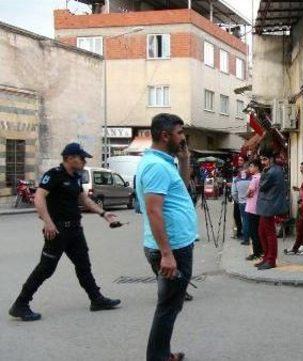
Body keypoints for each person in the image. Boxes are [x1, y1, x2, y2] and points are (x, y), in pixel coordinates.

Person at [8, 143, 121, 322]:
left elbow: (84, 199)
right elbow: (39, 197)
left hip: (75, 230)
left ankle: (96, 299)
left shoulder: (76, 177)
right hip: (57, 231)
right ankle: (20, 304)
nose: (84, 161)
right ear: (69, 158)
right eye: (81, 158)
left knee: (84, 265)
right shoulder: (53, 175)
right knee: (46, 268)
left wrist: (104, 213)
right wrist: (48, 222)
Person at [136, 113, 198, 361]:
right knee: (168, 307)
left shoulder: (164, 162)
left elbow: (181, 188)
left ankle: (161, 354)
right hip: (172, 250)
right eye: (180, 133)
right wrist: (167, 254)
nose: (183, 138)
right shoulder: (155, 166)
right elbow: (153, 210)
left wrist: (184, 161)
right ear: (165, 135)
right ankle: (158, 357)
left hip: (176, 247)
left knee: (170, 304)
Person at [255, 150, 289, 270]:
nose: (262, 162)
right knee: (262, 232)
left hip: (268, 206)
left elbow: (262, 185)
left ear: (271, 159)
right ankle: (266, 257)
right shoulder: (275, 170)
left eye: (265, 159)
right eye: (261, 159)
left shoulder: (272, 171)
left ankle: (271, 260)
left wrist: (263, 172)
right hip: (267, 205)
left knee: (269, 234)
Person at [244, 159, 263, 261]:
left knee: (253, 231)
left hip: (252, 207)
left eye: (251, 166)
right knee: (257, 230)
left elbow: (249, 192)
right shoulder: (261, 177)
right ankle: (260, 250)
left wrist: (246, 194)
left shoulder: (255, 178)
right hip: (258, 207)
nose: (250, 168)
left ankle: (256, 252)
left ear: (257, 167)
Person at [231, 166, 251, 246]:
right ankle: (252, 237)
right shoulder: (252, 179)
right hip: (251, 202)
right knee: (251, 220)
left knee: (245, 220)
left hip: (241, 203)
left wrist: (237, 200)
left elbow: (234, 193)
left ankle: (246, 239)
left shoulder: (236, 180)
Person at [232, 155, 247, 239]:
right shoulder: (236, 170)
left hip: (241, 196)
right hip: (236, 195)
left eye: (241, 160)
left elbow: (242, 183)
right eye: (238, 160)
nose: (239, 161)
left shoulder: (245, 170)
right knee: (236, 215)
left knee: (243, 216)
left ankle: (243, 233)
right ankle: (239, 231)